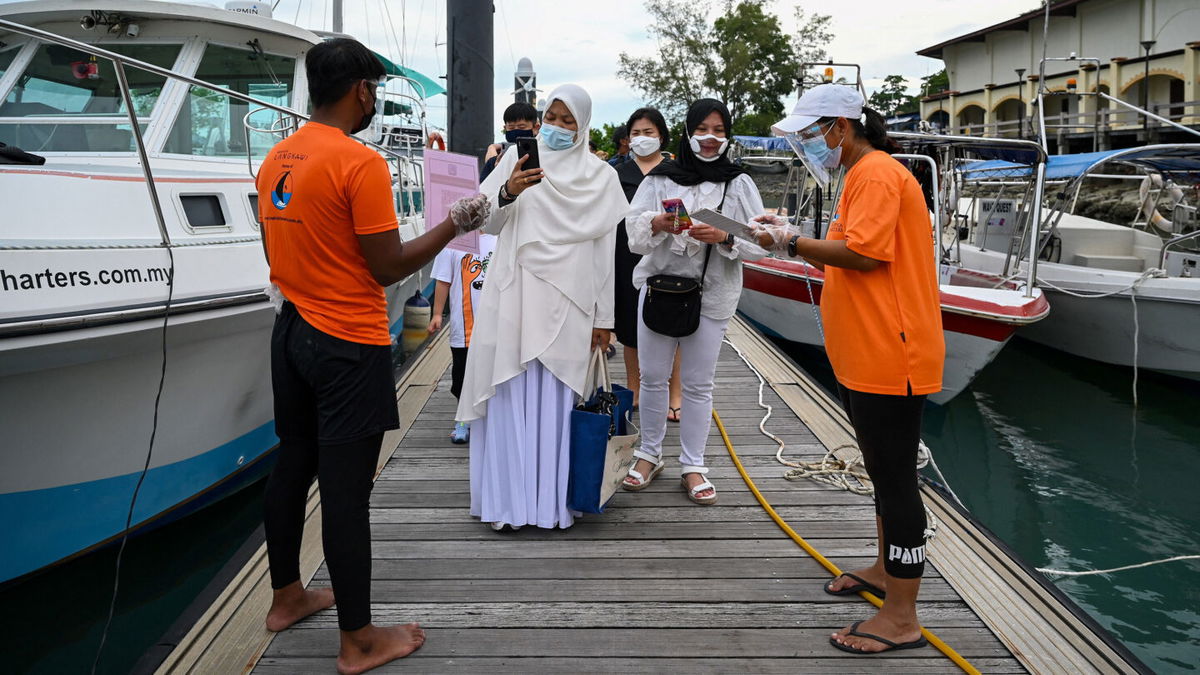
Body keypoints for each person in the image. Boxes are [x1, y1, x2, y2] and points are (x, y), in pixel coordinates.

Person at [256, 38, 489, 675]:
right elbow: (387, 267)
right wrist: (458, 219)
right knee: (345, 493)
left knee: (292, 463)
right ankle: (358, 641)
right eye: (375, 90)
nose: (375, 100)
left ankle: (286, 597)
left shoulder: (279, 155)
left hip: (292, 332)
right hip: (344, 342)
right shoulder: (358, 162)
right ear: (361, 89)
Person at [752, 84, 944, 655]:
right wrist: (788, 236)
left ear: (839, 126)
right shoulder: (858, 174)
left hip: (894, 351)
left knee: (896, 479)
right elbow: (847, 245)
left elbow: (864, 254)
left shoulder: (878, 173)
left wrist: (791, 241)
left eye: (811, 133)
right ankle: (888, 571)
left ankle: (903, 615)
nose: (808, 145)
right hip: (867, 352)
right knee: (882, 473)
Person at [457, 84, 626, 531]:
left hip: (571, 303)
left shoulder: (602, 178)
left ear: (583, 126)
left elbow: (605, 252)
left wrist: (604, 320)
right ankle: (508, 506)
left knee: (556, 401)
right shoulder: (517, 162)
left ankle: (550, 505)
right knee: (510, 392)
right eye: (551, 118)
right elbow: (483, 221)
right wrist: (508, 190)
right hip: (515, 293)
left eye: (568, 121)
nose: (557, 127)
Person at [621, 99, 768, 505]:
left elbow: (762, 244)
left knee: (698, 384)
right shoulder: (662, 179)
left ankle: (693, 464)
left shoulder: (737, 183)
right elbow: (633, 233)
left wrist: (724, 236)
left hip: (712, 295)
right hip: (658, 288)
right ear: (687, 131)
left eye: (719, 130)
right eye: (702, 128)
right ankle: (648, 454)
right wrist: (657, 222)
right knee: (652, 377)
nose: (710, 138)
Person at [611, 107, 682, 419]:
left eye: (648, 132)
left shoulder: (676, 173)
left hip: (667, 258)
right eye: (636, 133)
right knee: (629, 326)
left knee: (674, 324)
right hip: (625, 255)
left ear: (661, 136)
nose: (642, 138)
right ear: (628, 139)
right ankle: (634, 387)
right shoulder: (616, 173)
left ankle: (674, 392)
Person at [427, 233, 498, 444]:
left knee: (493, 374)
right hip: (465, 328)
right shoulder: (452, 243)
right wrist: (438, 313)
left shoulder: (500, 238)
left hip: (496, 327)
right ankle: (463, 419)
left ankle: (493, 420)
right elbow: (443, 281)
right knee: (461, 377)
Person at [481, 102, 540, 182]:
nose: (516, 131)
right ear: (505, 128)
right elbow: (482, 189)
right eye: (511, 128)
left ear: (535, 128)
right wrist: (497, 171)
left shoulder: (542, 157)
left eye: (521, 127)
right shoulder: (494, 162)